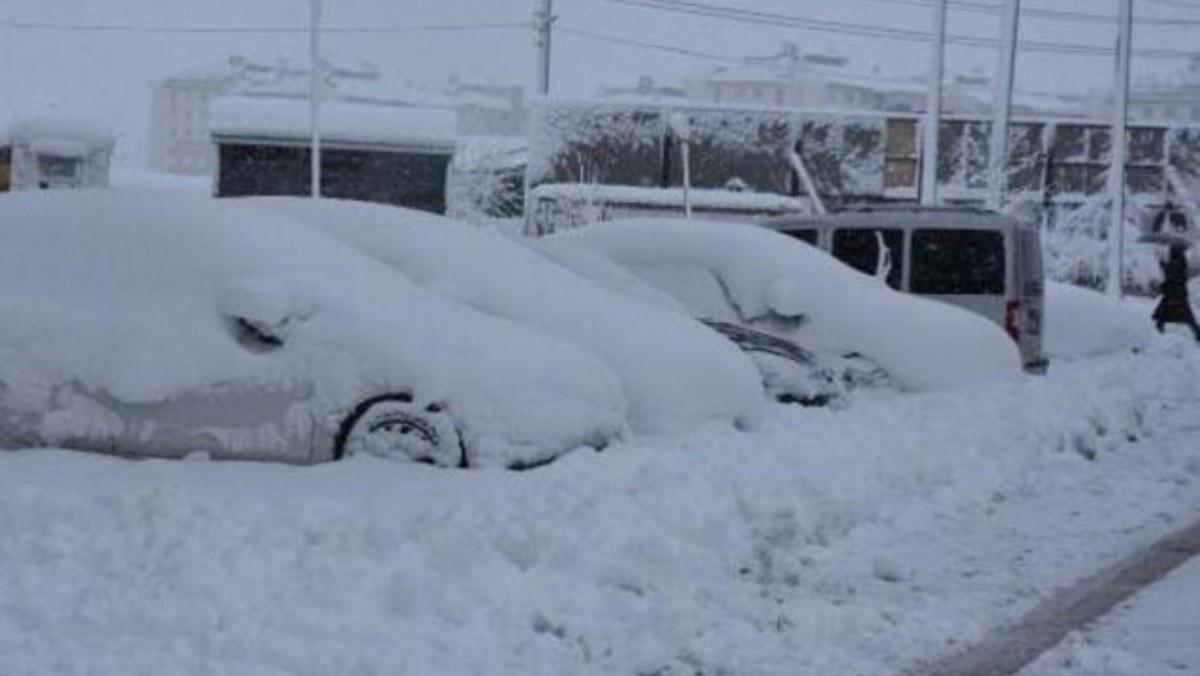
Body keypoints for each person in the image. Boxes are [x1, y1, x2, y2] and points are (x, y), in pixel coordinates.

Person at [1152, 242, 1200, 341]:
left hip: (1175, 294)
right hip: (1176, 294)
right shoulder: (1180, 260)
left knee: (1164, 315)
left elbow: (1172, 275)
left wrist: (1163, 265)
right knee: (1165, 315)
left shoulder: (1178, 261)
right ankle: (1157, 333)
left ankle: (1157, 334)